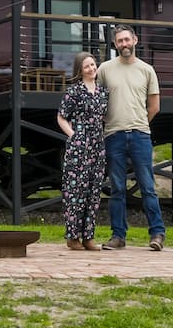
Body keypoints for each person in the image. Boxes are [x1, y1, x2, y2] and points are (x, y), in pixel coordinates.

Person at [97, 24, 166, 251]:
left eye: (127, 39)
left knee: (147, 186)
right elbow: (95, 99)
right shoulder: (105, 69)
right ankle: (118, 237)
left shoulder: (147, 70)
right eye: (119, 41)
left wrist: (139, 123)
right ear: (115, 44)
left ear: (135, 40)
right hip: (113, 136)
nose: (124, 44)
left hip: (140, 136)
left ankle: (157, 234)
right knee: (117, 188)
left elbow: (154, 106)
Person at [57, 52, 109, 251]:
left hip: (97, 146)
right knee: (75, 191)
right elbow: (61, 117)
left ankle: (89, 237)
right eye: (87, 66)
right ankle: (72, 237)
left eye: (93, 65)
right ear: (80, 70)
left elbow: (104, 117)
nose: (92, 69)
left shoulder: (103, 92)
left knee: (94, 192)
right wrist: (73, 136)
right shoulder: (74, 91)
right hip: (79, 147)